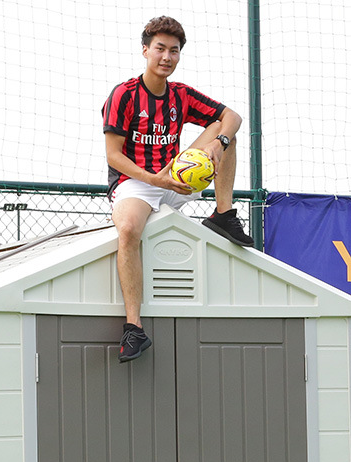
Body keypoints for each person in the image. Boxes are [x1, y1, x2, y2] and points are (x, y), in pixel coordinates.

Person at [102, 16, 253, 362]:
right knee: (129, 229)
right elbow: (113, 156)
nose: (166, 57)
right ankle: (134, 328)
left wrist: (218, 143)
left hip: (174, 176)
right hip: (136, 182)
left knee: (225, 132)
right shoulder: (124, 94)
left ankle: (223, 215)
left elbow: (233, 117)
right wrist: (153, 179)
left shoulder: (180, 95)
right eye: (160, 49)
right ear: (145, 50)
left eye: (174, 51)